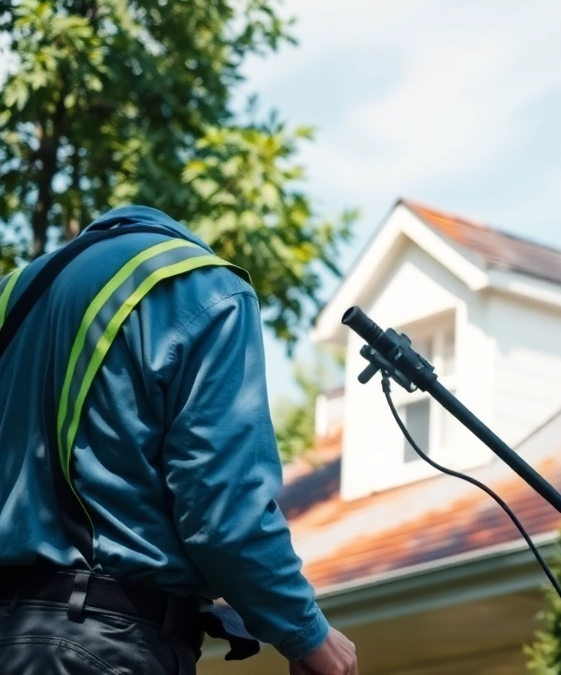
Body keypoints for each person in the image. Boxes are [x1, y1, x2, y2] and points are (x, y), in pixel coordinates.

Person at [0, 205, 358, 674]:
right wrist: (307, 633)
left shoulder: (14, 295)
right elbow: (224, 509)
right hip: (106, 643)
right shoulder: (202, 286)